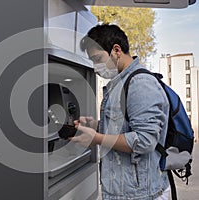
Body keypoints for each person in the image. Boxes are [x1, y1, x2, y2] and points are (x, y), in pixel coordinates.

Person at [70, 24, 170, 199]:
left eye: (97, 59)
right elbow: (125, 127)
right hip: (126, 192)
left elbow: (145, 140)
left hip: (140, 195)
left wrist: (97, 138)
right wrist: (97, 126)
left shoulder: (140, 83)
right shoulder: (121, 83)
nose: (95, 67)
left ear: (116, 50)